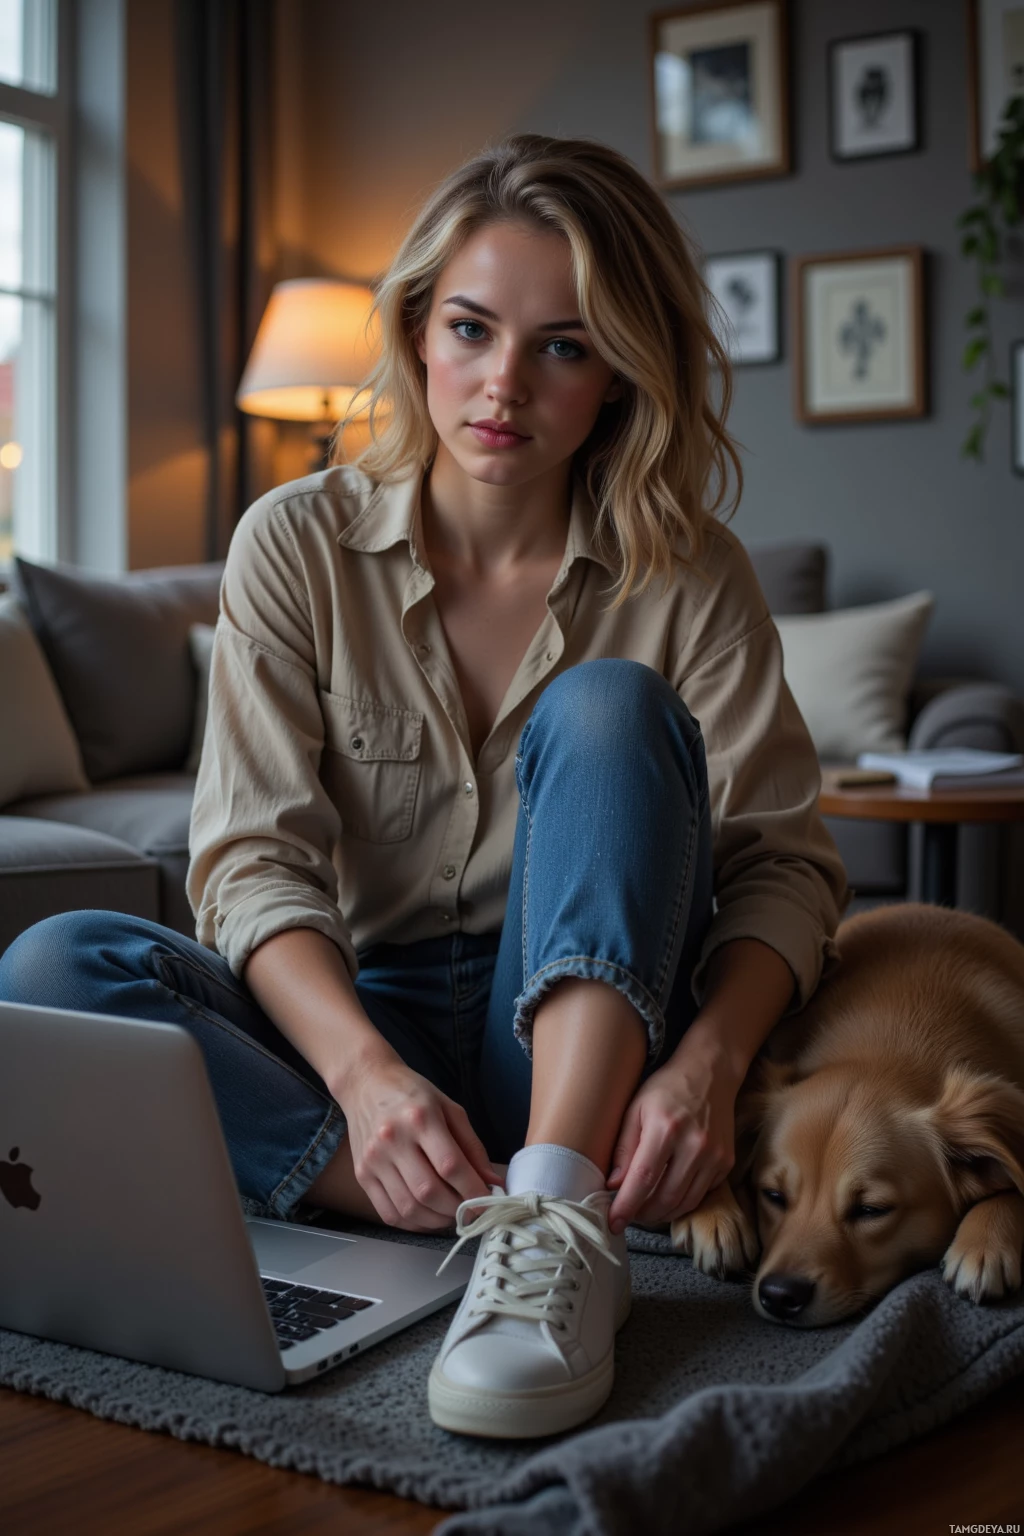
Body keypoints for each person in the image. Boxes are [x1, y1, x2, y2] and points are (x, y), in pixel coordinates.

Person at [0, 133, 848, 1440]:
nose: (501, 383)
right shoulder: (296, 540)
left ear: (622, 370)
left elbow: (785, 866)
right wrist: (363, 1080)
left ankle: (555, 1206)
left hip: (584, 1032)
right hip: (369, 1026)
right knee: (54, 966)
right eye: (470, 328)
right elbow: (251, 865)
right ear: (415, 330)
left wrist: (709, 1067)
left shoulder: (691, 572)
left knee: (609, 706)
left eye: (563, 345)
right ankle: (447, 1204)